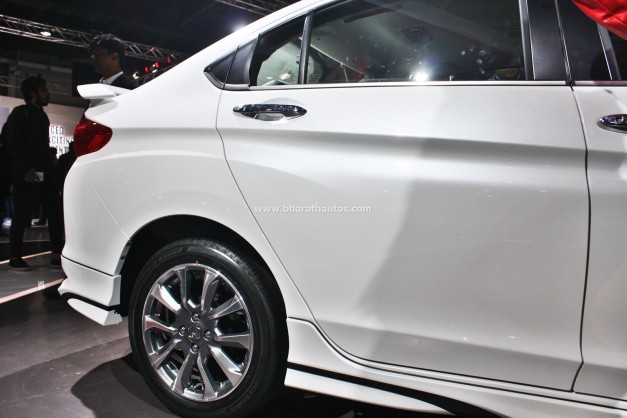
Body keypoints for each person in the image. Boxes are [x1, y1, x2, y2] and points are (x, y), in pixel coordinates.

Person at [5, 76, 63, 271]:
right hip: (27, 175)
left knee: (54, 211)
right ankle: (15, 257)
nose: (48, 93)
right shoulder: (21, 114)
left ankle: (56, 254)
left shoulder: (42, 116)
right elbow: (13, 144)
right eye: (44, 89)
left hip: (43, 173)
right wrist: (24, 169)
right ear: (33, 93)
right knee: (22, 214)